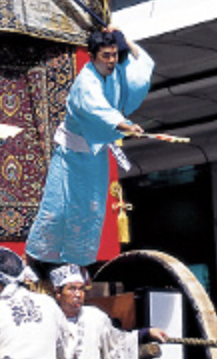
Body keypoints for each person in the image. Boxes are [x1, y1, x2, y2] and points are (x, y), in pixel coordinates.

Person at [26, 27, 154, 267]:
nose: (111, 61)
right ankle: (32, 263)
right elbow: (96, 109)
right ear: (92, 56)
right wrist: (125, 125)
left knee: (91, 212)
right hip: (70, 156)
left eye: (114, 54)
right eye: (105, 56)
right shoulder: (85, 82)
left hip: (95, 155)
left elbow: (140, 75)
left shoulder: (114, 73)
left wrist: (125, 39)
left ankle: (76, 267)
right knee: (56, 210)